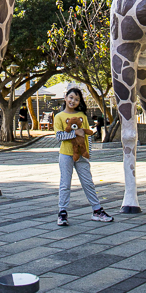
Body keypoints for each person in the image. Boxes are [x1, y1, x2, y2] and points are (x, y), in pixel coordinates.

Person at [54, 86, 114, 226]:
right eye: (71, 98)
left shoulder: (82, 116)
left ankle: (97, 210)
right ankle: (62, 212)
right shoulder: (59, 117)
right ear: (65, 98)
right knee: (65, 184)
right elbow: (58, 136)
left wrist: (88, 154)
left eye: (76, 99)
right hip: (65, 155)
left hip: (82, 155)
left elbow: (88, 136)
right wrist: (74, 133)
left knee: (88, 183)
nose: (73, 101)